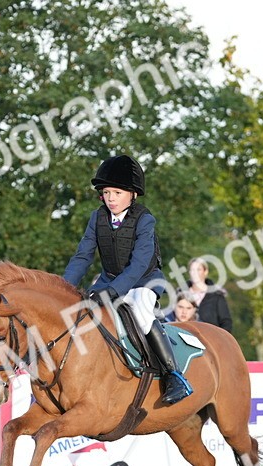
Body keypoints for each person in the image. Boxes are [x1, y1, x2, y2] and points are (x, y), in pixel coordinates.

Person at [63, 154, 191, 404]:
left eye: (117, 193)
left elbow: (140, 263)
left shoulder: (145, 219)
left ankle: (173, 376)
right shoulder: (97, 218)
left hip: (144, 281)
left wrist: (114, 290)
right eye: (106, 192)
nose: (110, 199)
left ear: (132, 194)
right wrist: (62, 287)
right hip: (108, 280)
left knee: (141, 312)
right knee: (78, 314)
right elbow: (82, 256)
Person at [183, 257, 233, 332]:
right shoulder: (181, 293)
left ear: (205, 272)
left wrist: (218, 340)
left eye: (198, 269)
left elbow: (226, 322)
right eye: (192, 270)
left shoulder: (217, 295)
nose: (195, 273)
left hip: (210, 339)